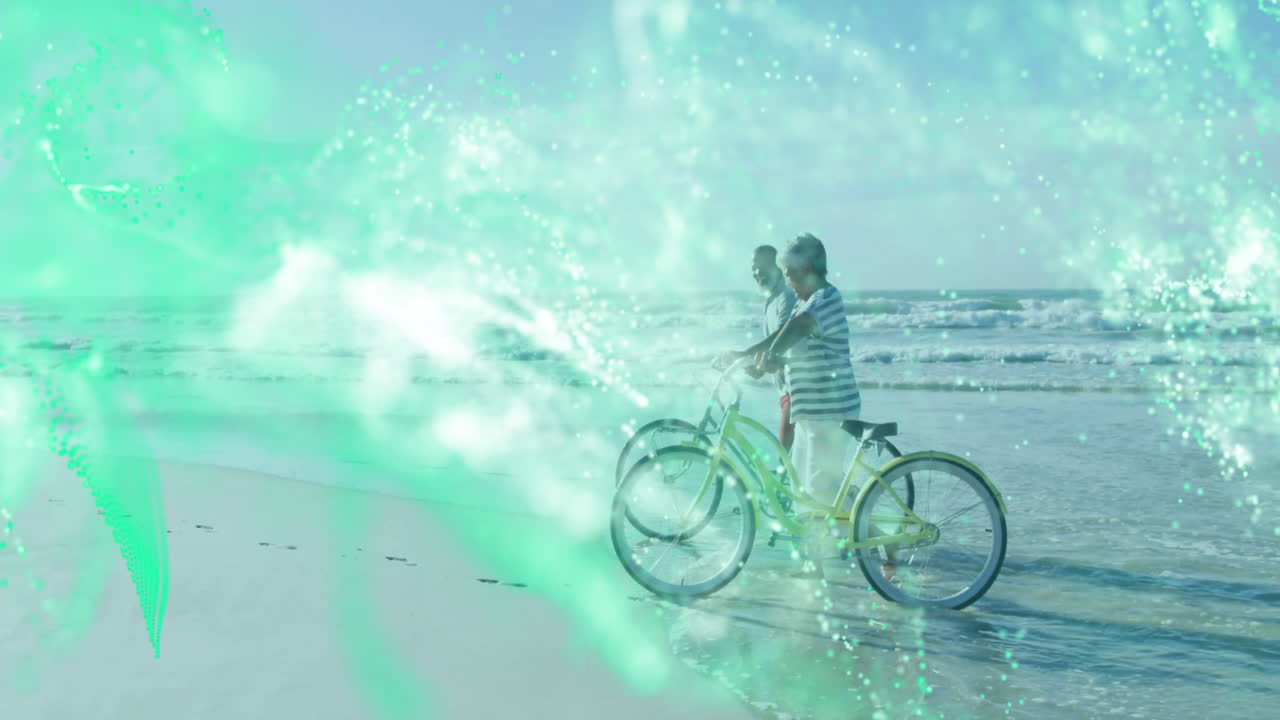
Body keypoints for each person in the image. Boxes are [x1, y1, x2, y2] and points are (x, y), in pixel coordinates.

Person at [752, 233, 862, 553]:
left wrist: (772, 353)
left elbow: (799, 328)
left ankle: (824, 560)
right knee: (806, 486)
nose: (787, 280)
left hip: (831, 411)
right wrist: (772, 361)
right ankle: (820, 552)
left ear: (807, 268)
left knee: (820, 489)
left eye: (789, 273)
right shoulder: (805, 302)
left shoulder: (825, 299)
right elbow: (802, 349)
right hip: (810, 413)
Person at [719, 245, 798, 450]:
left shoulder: (787, 295)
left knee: (787, 459)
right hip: (787, 390)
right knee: (792, 461)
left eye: (762, 266)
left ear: (777, 265)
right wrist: (759, 367)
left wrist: (745, 354)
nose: (757, 272)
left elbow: (782, 335)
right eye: (754, 268)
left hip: (799, 392)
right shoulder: (772, 298)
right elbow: (776, 348)